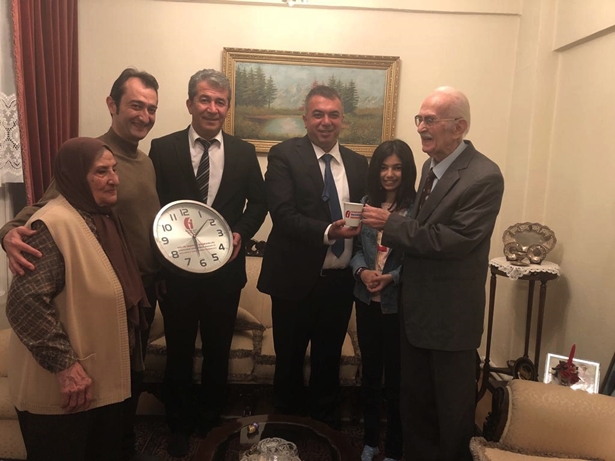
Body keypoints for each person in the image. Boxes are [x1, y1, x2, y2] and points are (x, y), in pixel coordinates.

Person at [0, 68, 161, 461]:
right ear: (112, 105)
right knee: (94, 398)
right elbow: (46, 209)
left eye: (151, 108)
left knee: (124, 390)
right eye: (136, 105)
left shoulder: (145, 161)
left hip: (137, 294)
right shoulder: (88, 156)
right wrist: (9, 230)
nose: (144, 116)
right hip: (96, 294)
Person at [362, 86, 505, 460]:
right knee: (416, 410)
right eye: (419, 119)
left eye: (430, 120)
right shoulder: (430, 168)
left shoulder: (484, 176)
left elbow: (453, 240)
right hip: (415, 314)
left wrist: (391, 224)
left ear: (459, 127)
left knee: (450, 416)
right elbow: (425, 233)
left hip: (450, 320)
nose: (421, 127)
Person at [148, 69, 267, 457]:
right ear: (189, 104)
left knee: (217, 351)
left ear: (227, 107)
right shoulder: (162, 148)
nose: (212, 108)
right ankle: (179, 426)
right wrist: (159, 269)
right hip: (176, 275)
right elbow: (155, 211)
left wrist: (241, 232)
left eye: (220, 101)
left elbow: (259, 203)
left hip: (224, 273)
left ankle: (211, 422)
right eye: (204, 99)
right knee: (180, 352)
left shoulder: (244, 152)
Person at [257, 85, 368, 429]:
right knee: (289, 362)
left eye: (333, 115)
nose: (326, 121)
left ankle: (324, 433)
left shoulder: (357, 163)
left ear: (343, 120)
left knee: (328, 361)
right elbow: (282, 214)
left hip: (339, 284)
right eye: (318, 114)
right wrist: (328, 231)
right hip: (293, 281)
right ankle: (285, 431)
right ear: (304, 118)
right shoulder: (283, 155)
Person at [350, 139, 416, 461]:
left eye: (397, 168)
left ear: (407, 171)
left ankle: (394, 448)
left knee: (397, 380)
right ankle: (370, 441)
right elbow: (355, 250)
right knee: (371, 375)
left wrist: (392, 278)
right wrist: (362, 272)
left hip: (398, 305)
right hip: (366, 302)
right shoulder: (365, 205)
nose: (389, 174)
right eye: (384, 167)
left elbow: (419, 257)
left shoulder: (417, 210)